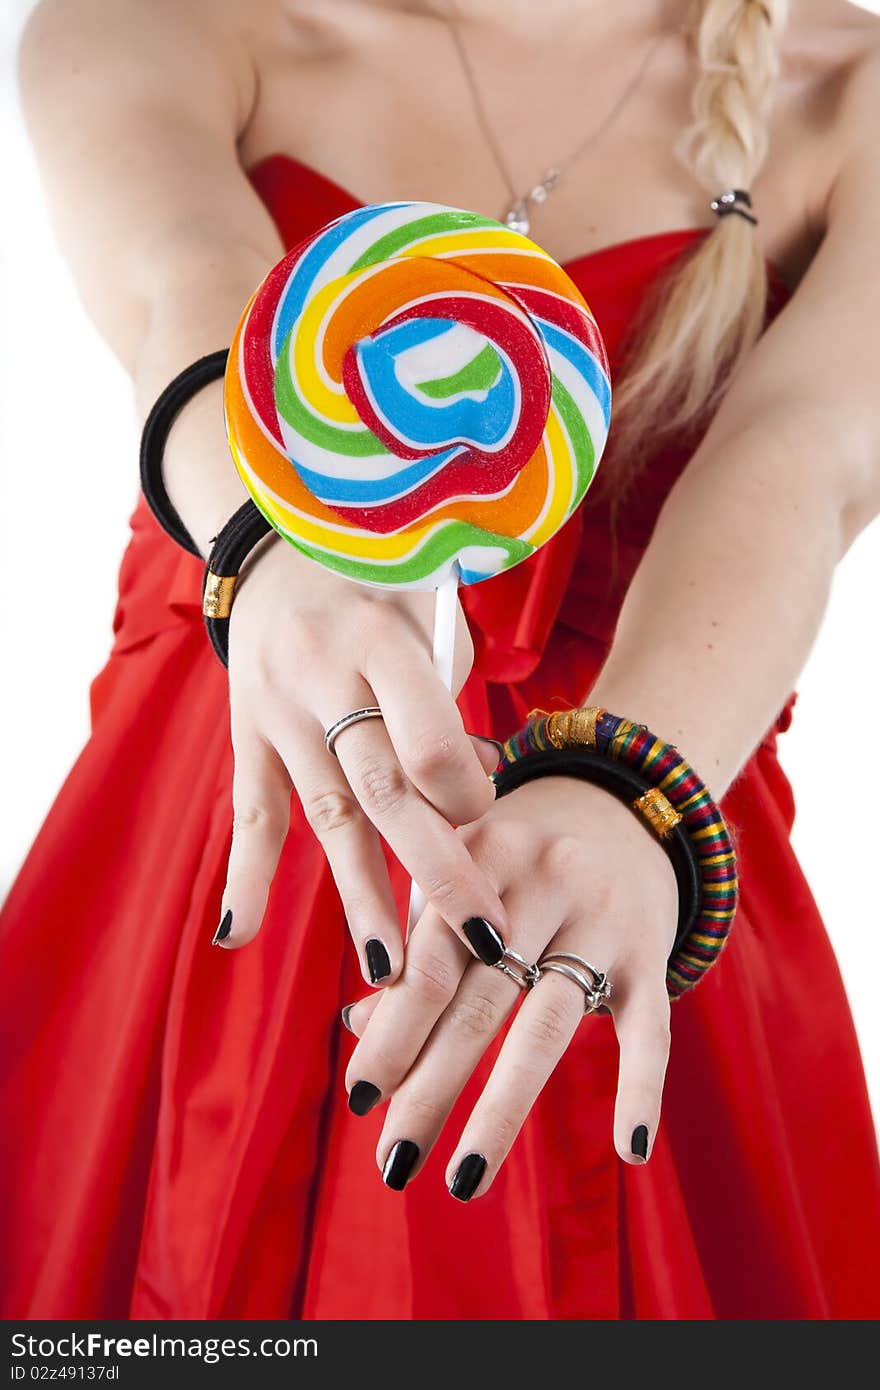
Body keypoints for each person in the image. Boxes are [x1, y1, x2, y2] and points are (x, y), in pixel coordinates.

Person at [2, 0, 879, 1319]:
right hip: (216, 853)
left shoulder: (849, 93)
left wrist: (622, 786)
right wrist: (267, 544)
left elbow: (806, 457)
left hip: (625, 862)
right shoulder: (151, 21)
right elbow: (177, 281)